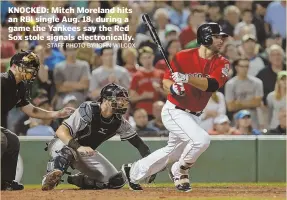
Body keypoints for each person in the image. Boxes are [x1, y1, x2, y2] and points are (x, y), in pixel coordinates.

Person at [122, 22, 230, 192]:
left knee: (172, 152)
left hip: (195, 114)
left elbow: (212, 85)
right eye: (217, 37)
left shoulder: (222, 62)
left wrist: (186, 79)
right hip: (175, 110)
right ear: (206, 38)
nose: (221, 40)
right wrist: (173, 87)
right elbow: (166, 81)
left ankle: (133, 171)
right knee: (201, 140)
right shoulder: (182, 56)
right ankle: (180, 170)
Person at [41, 83, 155, 191]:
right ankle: (52, 174)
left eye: (124, 100)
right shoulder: (88, 109)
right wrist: (79, 147)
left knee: (116, 181)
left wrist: (151, 164)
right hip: (62, 144)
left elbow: (140, 145)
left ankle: (80, 180)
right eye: (119, 99)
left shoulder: (119, 122)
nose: (122, 103)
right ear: (105, 100)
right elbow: (61, 131)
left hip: (85, 152)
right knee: (68, 151)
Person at [1, 51, 73, 190]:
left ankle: (6, 182)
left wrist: (57, 113)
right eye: (27, 66)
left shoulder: (20, 86)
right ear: (15, 66)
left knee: (13, 140)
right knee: (2, 139)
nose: (31, 71)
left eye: (33, 68)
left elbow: (31, 110)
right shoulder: (2, 80)